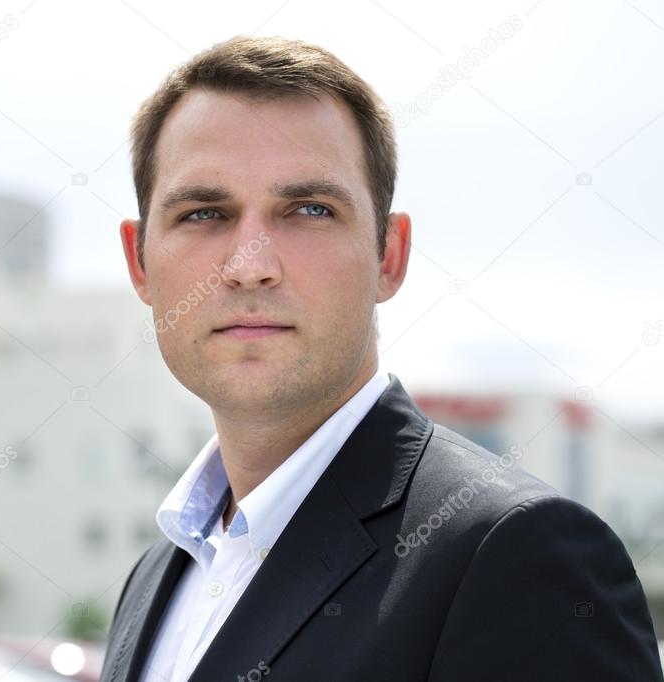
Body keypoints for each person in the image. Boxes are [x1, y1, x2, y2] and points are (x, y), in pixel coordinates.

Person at [101, 35, 663, 681]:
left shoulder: (512, 550)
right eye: (203, 213)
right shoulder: (157, 576)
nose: (249, 266)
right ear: (139, 262)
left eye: (309, 209)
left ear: (388, 256)